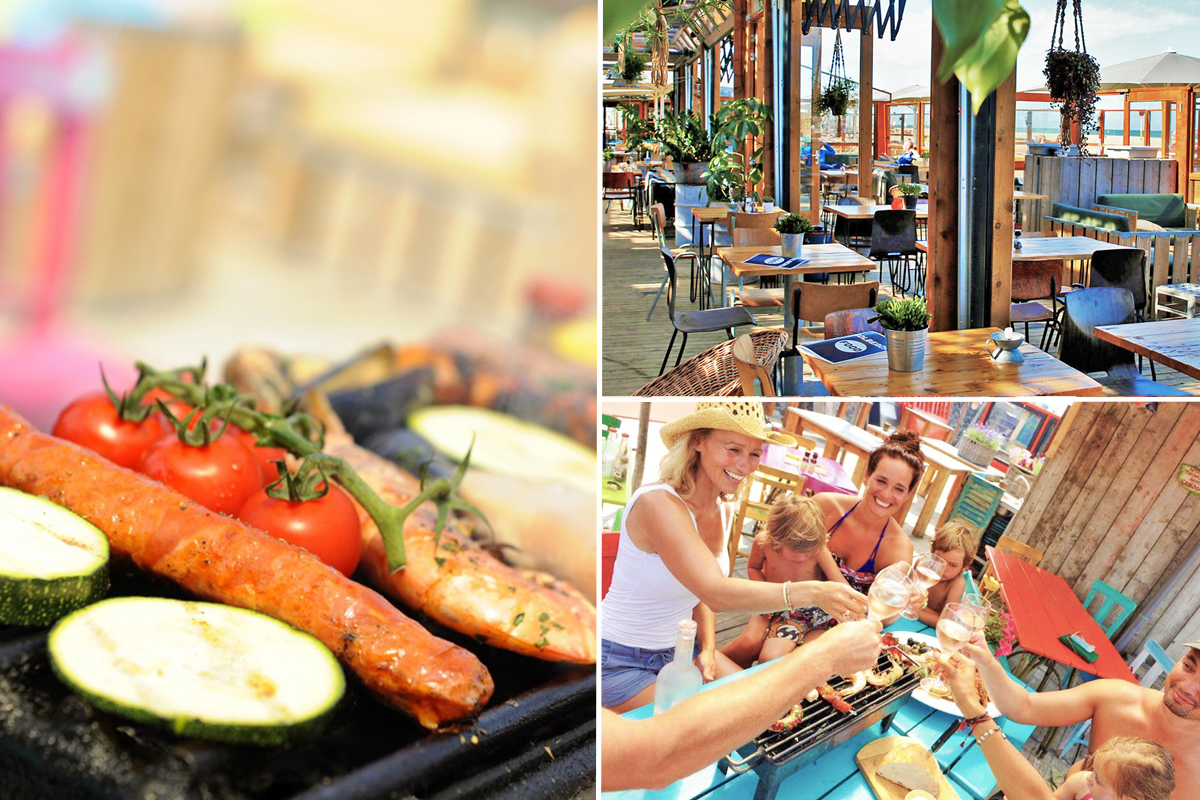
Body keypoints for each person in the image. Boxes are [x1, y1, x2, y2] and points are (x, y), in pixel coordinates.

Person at [600, 401, 869, 713]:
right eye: (733, 449)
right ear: (697, 441)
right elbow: (714, 592)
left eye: (754, 453)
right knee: (723, 720)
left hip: (680, 651)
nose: (744, 464)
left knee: (765, 705)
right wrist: (812, 592)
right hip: (618, 659)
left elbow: (697, 592)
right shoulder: (657, 504)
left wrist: (710, 648)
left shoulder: (723, 509)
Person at [602, 619, 884, 791]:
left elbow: (705, 592)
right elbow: (654, 757)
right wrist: (824, 657)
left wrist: (710, 647)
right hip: (619, 661)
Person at [722, 430, 922, 665]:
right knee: (751, 643)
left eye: (899, 488)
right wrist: (766, 599)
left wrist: (906, 600)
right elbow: (775, 543)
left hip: (835, 623)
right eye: (881, 480)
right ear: (867, 476)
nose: (886, 494)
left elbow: (883, 616)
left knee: (792, 663)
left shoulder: (899, 548)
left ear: (908, 494)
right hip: (791, 601)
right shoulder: (826, 506)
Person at [956, 636, 1200, 800]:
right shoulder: (1118, 697)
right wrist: (985, 661)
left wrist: (974, 712)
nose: (1188, 688)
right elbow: (1024, 706)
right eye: (1189, 666)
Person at [744, 494, 851, 664]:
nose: (802, 558)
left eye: (807, 553)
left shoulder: (818, 549)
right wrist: (765, 594)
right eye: (795, 554)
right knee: (769, 659)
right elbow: (753, 567)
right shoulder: (763, 543)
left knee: (813, 657)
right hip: (785, 609)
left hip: (818, 613)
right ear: (776, 538)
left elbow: (839, 583)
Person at [914, 521, 979, 627]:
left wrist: (914, 611)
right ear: (932, 551)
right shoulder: (922, 565)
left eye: (952, 565)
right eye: (939, 559)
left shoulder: (957, 584)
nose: (943, 569)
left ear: (965, 566)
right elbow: (905, 593)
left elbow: (946, 622)